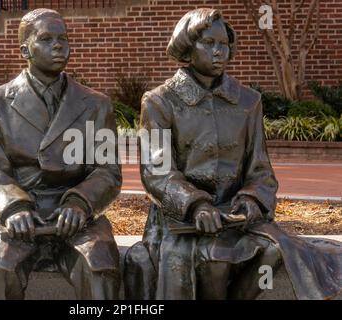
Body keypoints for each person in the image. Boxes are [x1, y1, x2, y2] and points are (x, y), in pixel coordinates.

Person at [124, 8, 342, 300]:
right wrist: (196, 206)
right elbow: (157, 172)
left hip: (235, 219)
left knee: (276, 249)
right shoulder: (160, 102)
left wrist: (252, 200)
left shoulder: (248, 101)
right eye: (209, 44)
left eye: (224, 44)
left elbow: (260, 171)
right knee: (213, 257)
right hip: (180, 222)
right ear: (187, 49)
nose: (219, 52)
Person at [0, 8, 121, 299]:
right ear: (25, 49)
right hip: (17, 214)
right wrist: (12, 207)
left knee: (100, 267)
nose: (59, 45)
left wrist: (80, 203)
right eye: (46, 38)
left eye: (62, 38)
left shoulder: (96, 104)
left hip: (75, 214)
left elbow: (107, 170)